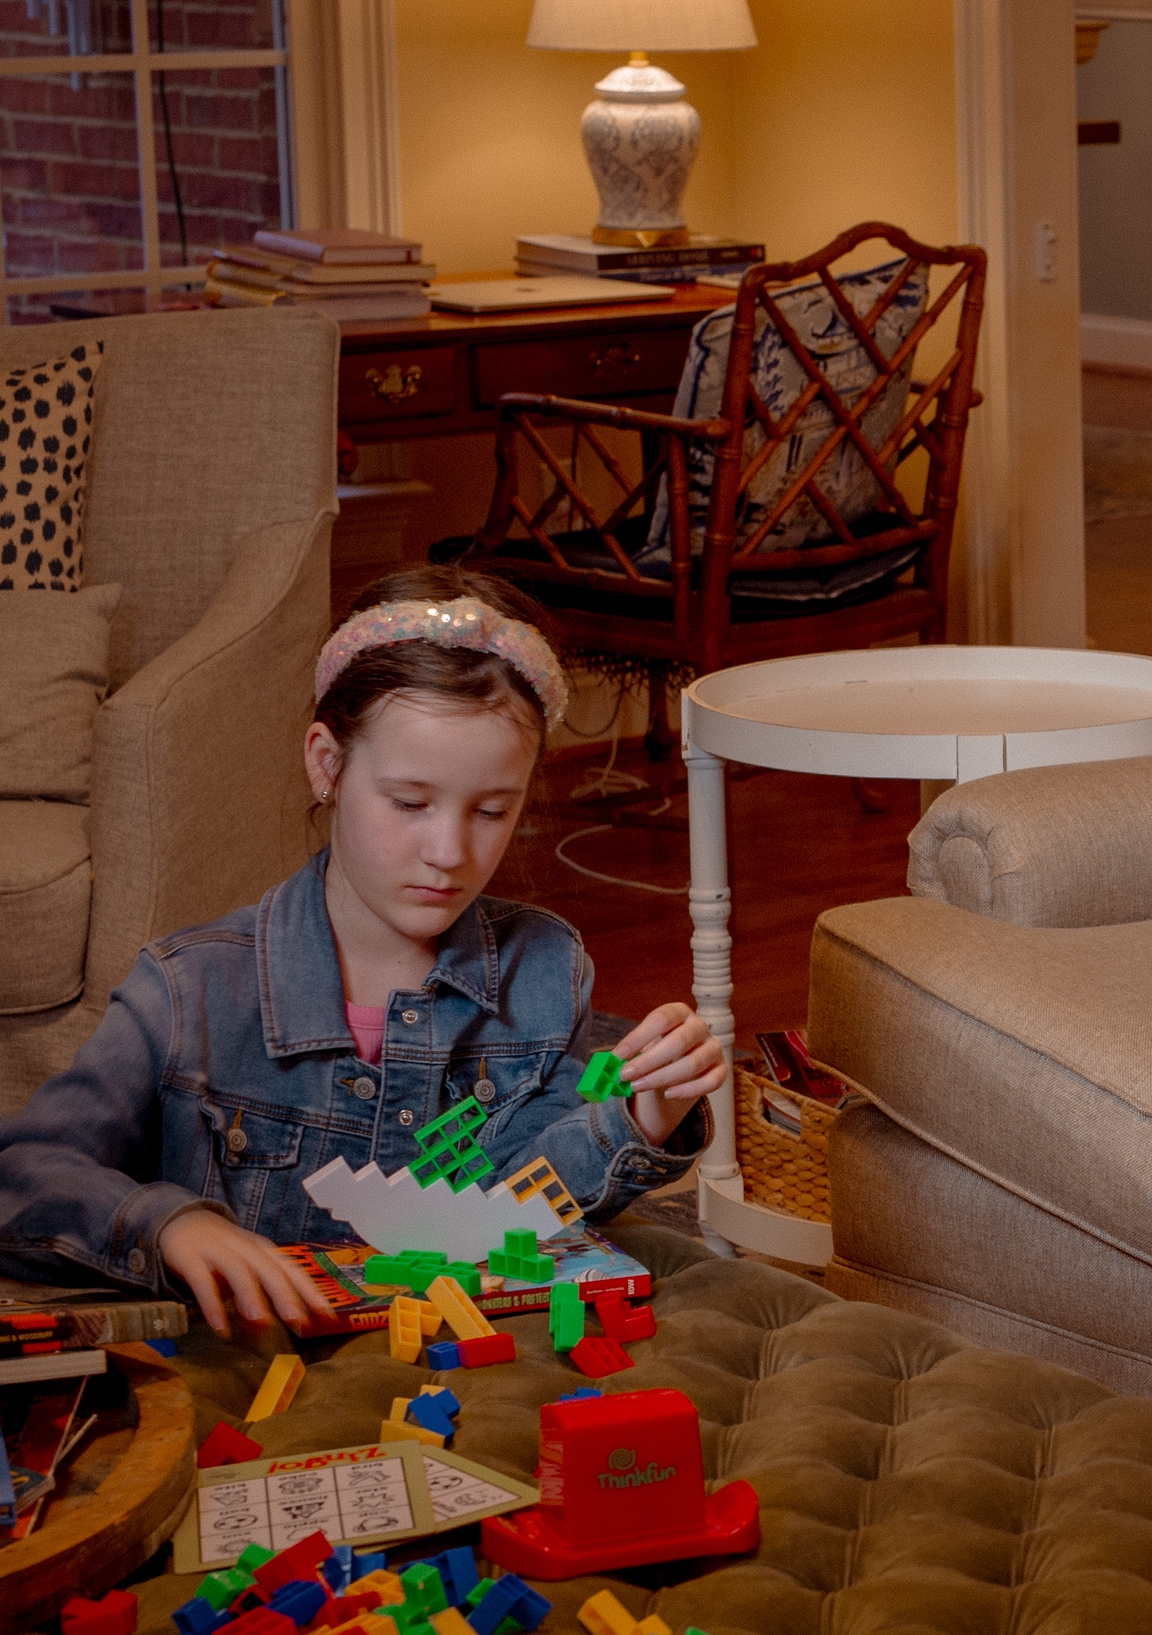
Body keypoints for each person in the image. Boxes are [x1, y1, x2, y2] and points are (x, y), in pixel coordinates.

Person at [0, 565, 728, 1339]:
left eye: (491, 809)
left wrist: (646, 1115)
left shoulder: (546, 969)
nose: (448, 851)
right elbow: (23, 1175)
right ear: (327, 765)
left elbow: (516, 1205)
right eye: (409, 803)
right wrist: (171, 1224)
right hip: (247, 1368)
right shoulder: (190, 991)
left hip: (449, 1361)